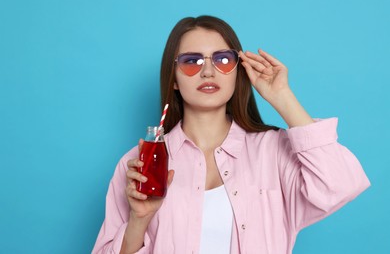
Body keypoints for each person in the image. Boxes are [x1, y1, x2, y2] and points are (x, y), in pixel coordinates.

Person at [92, 15, 370, 254]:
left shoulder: (273, 152)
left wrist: (282, 97)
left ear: (238, 71)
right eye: (192, 61)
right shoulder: (139, 166)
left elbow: (342, 185)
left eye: (223, 59)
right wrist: (139, 221)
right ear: (174, 78)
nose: (208, 71)